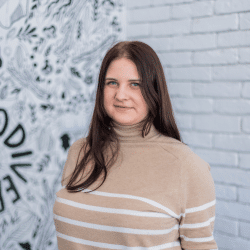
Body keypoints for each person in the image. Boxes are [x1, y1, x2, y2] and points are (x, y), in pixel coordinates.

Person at [53, 41, 218, 250]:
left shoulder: (187, 167)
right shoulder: (81, 151)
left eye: (135, 84)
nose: (120, 95)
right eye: (112, 82)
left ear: (154, 91)